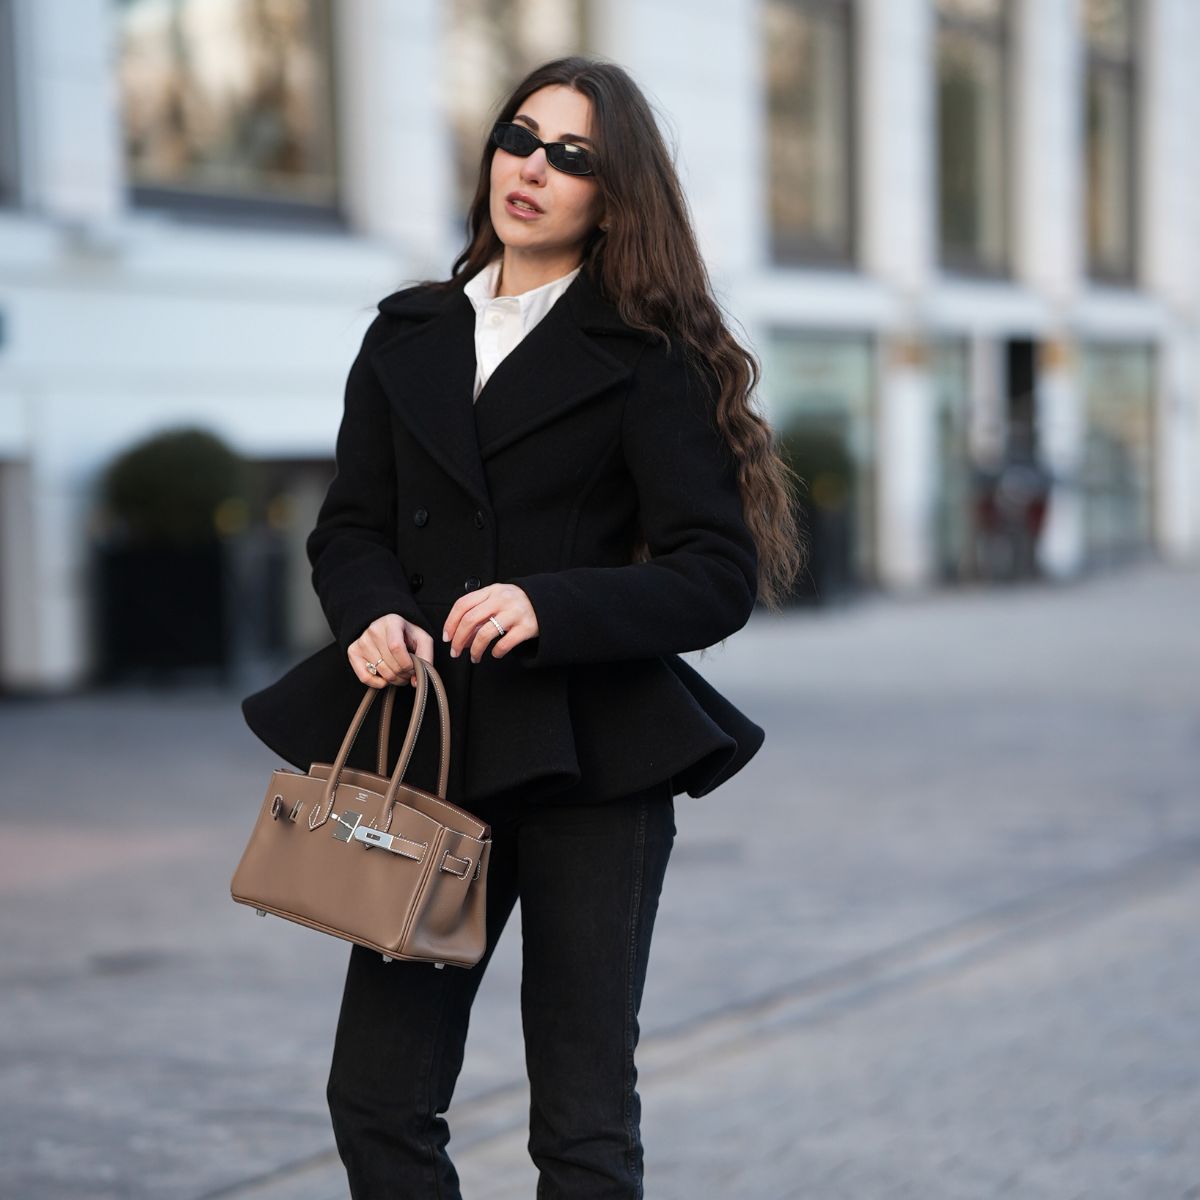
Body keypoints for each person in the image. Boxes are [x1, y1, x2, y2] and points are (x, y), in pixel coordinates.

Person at [240, 54, 803, 1199]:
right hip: (433, 754)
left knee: (583, 1117)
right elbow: (348, 529)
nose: (532, 169)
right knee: (377, 1098)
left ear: (614, 192)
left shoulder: (650, 357)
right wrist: (374, 617)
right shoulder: (407, 336)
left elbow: (714, 578)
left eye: (572, 156)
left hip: (595, 757)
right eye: (518, 138)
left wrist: (552, 603)